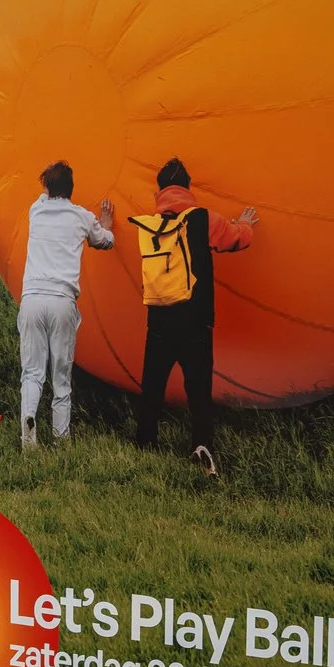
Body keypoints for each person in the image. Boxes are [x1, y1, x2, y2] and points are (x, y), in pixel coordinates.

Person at [129, 158, 256, 476]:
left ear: (160, 192)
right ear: (187, 187)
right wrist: (245, 223)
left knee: (153, 384)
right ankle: (201, 445)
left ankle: (145, 442)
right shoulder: (201, 218)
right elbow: (235, 240)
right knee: (198, 387)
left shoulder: (151, 226)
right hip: (195, 318)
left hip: (158, 317)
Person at [17, 160, 116, 447]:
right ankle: (61, 439)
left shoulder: (36, 210)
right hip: (62, 300)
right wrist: (106, 226)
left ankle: (28, 426)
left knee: (32, 371)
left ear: (47, 187)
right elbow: (105, 242)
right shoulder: (81, 217)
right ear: (72, 189)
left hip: (32, 298)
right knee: (61, 375)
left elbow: (44, 191)